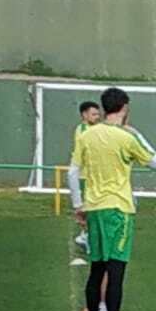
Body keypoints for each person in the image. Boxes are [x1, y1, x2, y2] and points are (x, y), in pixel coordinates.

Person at [68, 86, 156, 311]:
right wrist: (136, 134)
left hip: (94, 208)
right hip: (118, 209)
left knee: (96, 268)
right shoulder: (126, 138)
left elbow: (72, 172)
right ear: (124, 108)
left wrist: (78, 205)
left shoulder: (87, 135)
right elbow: (155, 162)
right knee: (116, 269)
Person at [71, 101, 101, 251]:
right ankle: (87, 238)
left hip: (95, 176)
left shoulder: (96, 128)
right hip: (86, 177)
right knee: (88, 209)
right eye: (93, 114)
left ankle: (87, 236)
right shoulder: (82, 130)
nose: (97, 117)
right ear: (84, 115)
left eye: (98, 114)